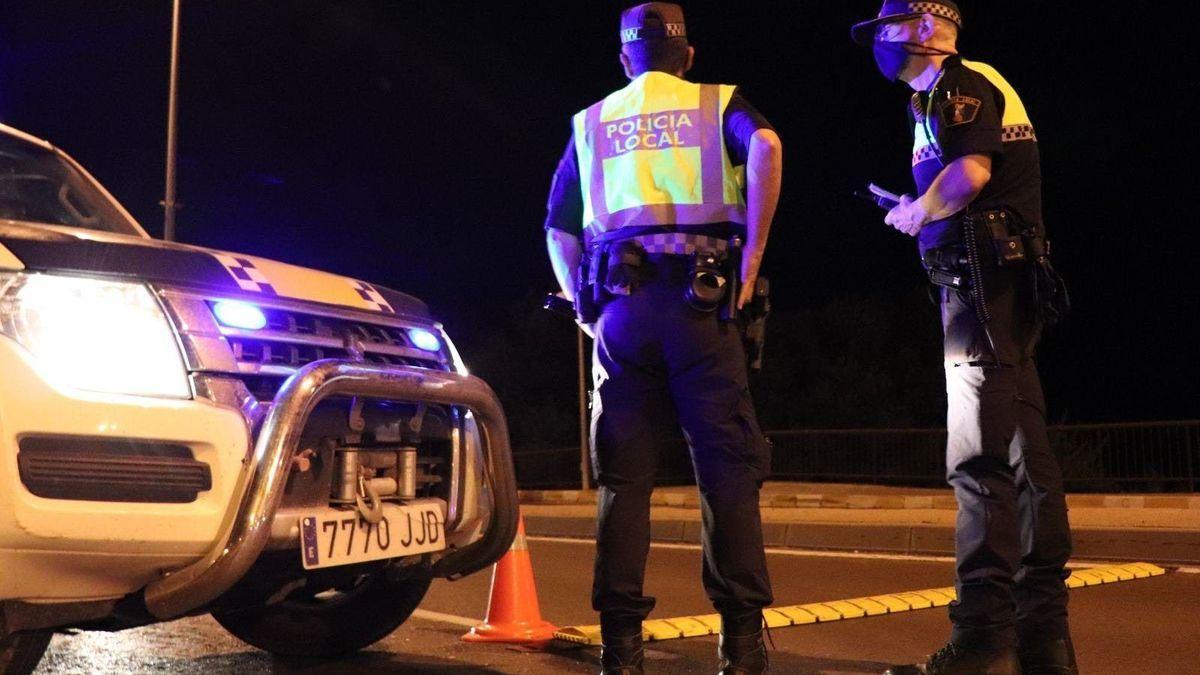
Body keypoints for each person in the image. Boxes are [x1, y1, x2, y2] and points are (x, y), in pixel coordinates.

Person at [543, 3, 783, 673]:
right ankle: (740, 642)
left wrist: (582, 310)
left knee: (623, 482)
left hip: (621, 308)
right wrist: (753, 259)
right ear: (689, 55)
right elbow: (766, 147)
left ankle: (621, 647)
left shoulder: (593, 122)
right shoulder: (718, 102)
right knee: (725, 472)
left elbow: (558, 229)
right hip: (702, 306)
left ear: (625, 61)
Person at [850, 2, 1076, 674]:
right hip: (995, 290)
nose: (879, 44)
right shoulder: (949, 97)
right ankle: (1044, 638)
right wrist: (916, 205)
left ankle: (980, 638)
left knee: (976, 461)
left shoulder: (960, 85)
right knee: (1026, 457)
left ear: (925, 31)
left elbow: (972, 174)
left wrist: (919, 211)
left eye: (886, 31)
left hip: (980, 290)